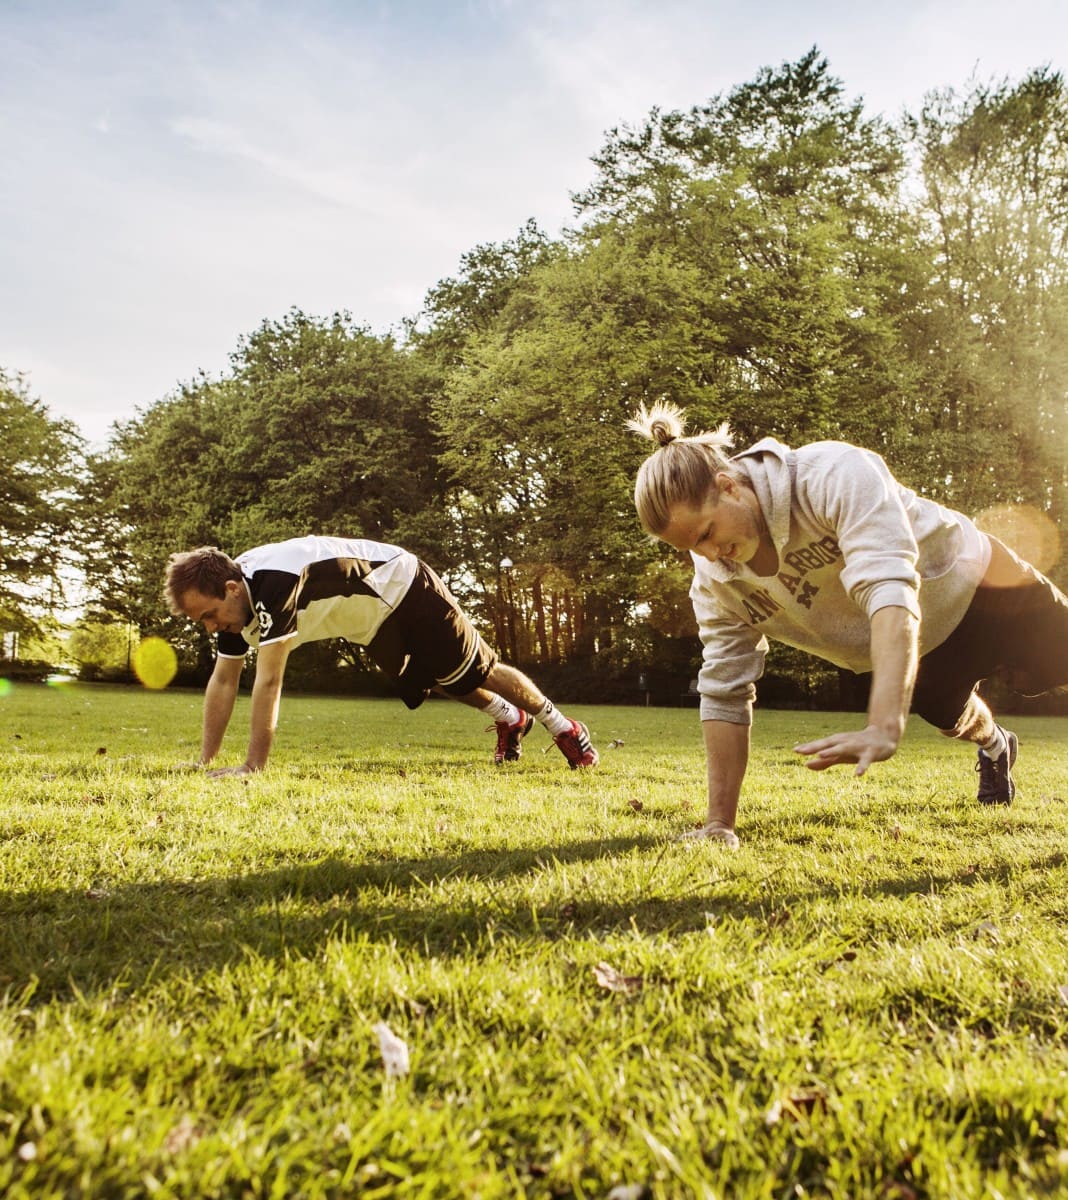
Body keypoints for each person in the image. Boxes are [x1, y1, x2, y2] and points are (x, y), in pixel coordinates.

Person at [628, 402, 1068, 847]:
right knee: (948, 715)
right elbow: (725, 689)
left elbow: (889, 588)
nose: (707, 556)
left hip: (985, 587)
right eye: (688, 549)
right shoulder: (715, 584)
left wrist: (884, 723)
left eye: (705, 534)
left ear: (729, 488)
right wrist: (719, 825)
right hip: (920, 648)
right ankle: (997, 746)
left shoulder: (831, 474)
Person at [163, 536, 598, 776]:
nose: (211, 627)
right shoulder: (233, 608)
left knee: (476, 669)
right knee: (439, 681)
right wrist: (205, 761)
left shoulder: (272, 583)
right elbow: (224, 680)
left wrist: (252, 767)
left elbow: (269, 681)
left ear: (232, 590)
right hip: (372, 623)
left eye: (210, 615)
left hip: (404, 585)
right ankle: (510, 718)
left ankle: (564, 727)